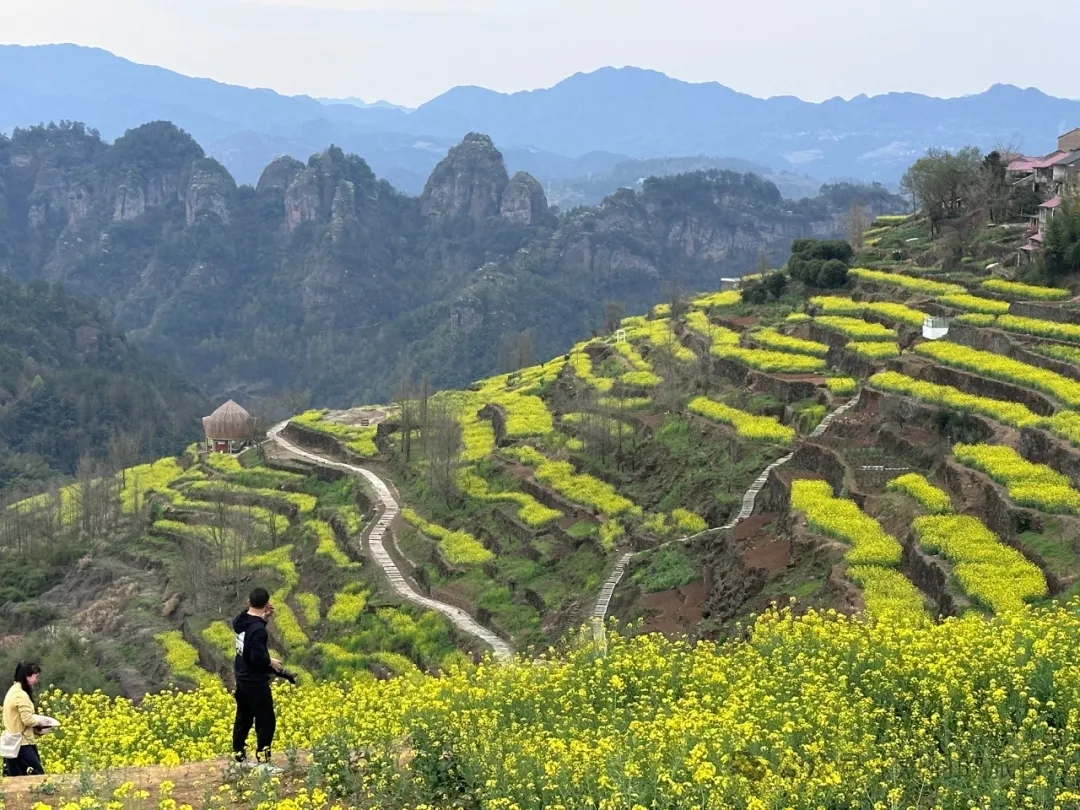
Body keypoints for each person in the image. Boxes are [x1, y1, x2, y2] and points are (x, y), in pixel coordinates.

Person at [232, 587, 284, 775]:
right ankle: (263, 762)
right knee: (265, 720)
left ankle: (239, 759)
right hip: (255, 681)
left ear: (249, 603)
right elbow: (256, 657)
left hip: (241, 677)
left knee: (243, 717)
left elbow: (251, 624)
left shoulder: (241, 621)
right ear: (266, 603)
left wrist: (262, 614)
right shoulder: (258, 630)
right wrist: (271, 662)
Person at [2, 662, 44, 777]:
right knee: (37, 776)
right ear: (27, 676)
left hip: (11, 742)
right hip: (21, 743)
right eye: (36, 676)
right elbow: (27, 720)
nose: (36, 680)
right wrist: (42, 722)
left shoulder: (12, 691)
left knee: (13, 778)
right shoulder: (21, 695)